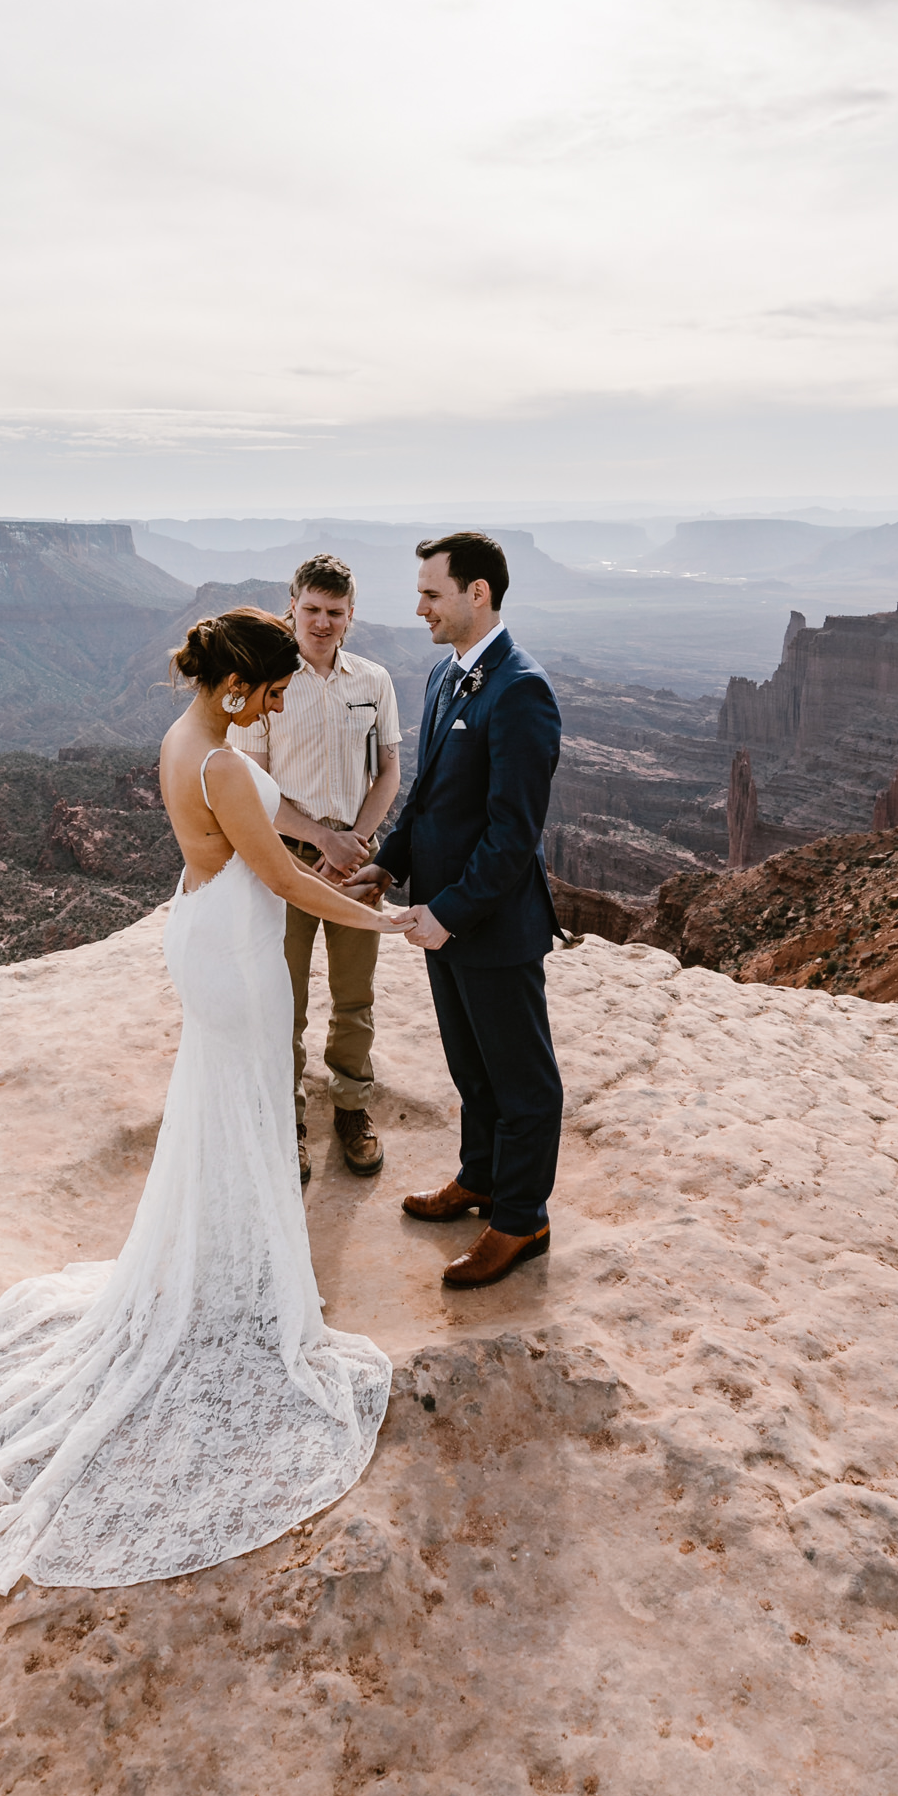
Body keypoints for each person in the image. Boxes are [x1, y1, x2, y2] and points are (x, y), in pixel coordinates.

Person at [0, 607, 413, 1597]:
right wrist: (386, 917)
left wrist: (327, 841)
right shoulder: (227, 765)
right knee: (240, 1108)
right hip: (237, 950)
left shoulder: (189, 739)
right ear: (240, 685)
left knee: (227, 1111)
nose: (283, 701)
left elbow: (278, 831)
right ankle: (239, 1298)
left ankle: (225, 1274)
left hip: (203, 926)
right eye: (274, 688)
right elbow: (277, 872)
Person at [352, 533, 566, 1291]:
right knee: (472, 1072)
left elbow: (513, 835)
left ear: (478, 593)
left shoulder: (519, 689)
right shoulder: (449, 676)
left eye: (431, 594)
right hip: (442, 924)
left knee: (521, 1082)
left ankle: (520, 1222)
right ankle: (479, 1180)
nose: (419, 608)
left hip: (491, 928)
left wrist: (449, 911)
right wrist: (390, 863)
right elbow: (430, 798)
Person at [232, 552, 401, 1186]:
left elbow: (388, 770)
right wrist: (320, 840)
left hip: (358, 862)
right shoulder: (269, 682)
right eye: (311, 610)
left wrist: (355, 840)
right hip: (286, 861)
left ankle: (353, 1111)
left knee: (355, 997)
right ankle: (289, 1119)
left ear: (351, 615)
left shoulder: (372, 681)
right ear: (292, 606)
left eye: (335, 613)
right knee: (287, 1001)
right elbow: (250, 788)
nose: (322, 623)